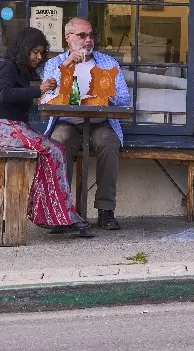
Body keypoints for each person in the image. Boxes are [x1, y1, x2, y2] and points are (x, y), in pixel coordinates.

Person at [0, 27, 93, 238]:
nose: (38, 57)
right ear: (24, 50)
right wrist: (39, 90)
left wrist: (66, 65)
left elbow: (55, 75)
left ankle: (52, 214)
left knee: (54, 151)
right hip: (1, 129)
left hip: (12, 128)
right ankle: (58, 215)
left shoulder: (23, 72)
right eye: (35, 52)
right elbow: (4, 94)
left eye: (41, 52)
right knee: (56, 151)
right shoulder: (7, 68)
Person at [41, 17, 132, 231]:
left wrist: (105, 96)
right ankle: (61, 210)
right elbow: (47, 98)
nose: (88, 40)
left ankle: (105, 210)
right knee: (58, 142)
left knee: (109, 142)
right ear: (68, 38)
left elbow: (125, 100)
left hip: (100, 122)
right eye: (82, 35)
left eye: (91, 35)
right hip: (68, 121)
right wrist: (68, 65)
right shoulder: (55, 64)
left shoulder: (108, 63)